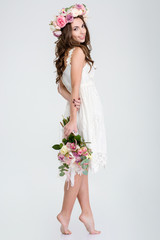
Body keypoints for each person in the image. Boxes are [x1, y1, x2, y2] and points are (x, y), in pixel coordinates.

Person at [49, 3, 108, 235]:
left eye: (82, 26)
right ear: (67, 32)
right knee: (78, 164)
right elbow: (74, 87)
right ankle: (65, 213)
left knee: (80, 164)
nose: (81, 32)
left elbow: (60, 88)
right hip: (82, 111)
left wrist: (73, 107)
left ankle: (87, 214)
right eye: (75, 29)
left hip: (78, 108)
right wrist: (74, 118)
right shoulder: (79, 52)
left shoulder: (67, 54)